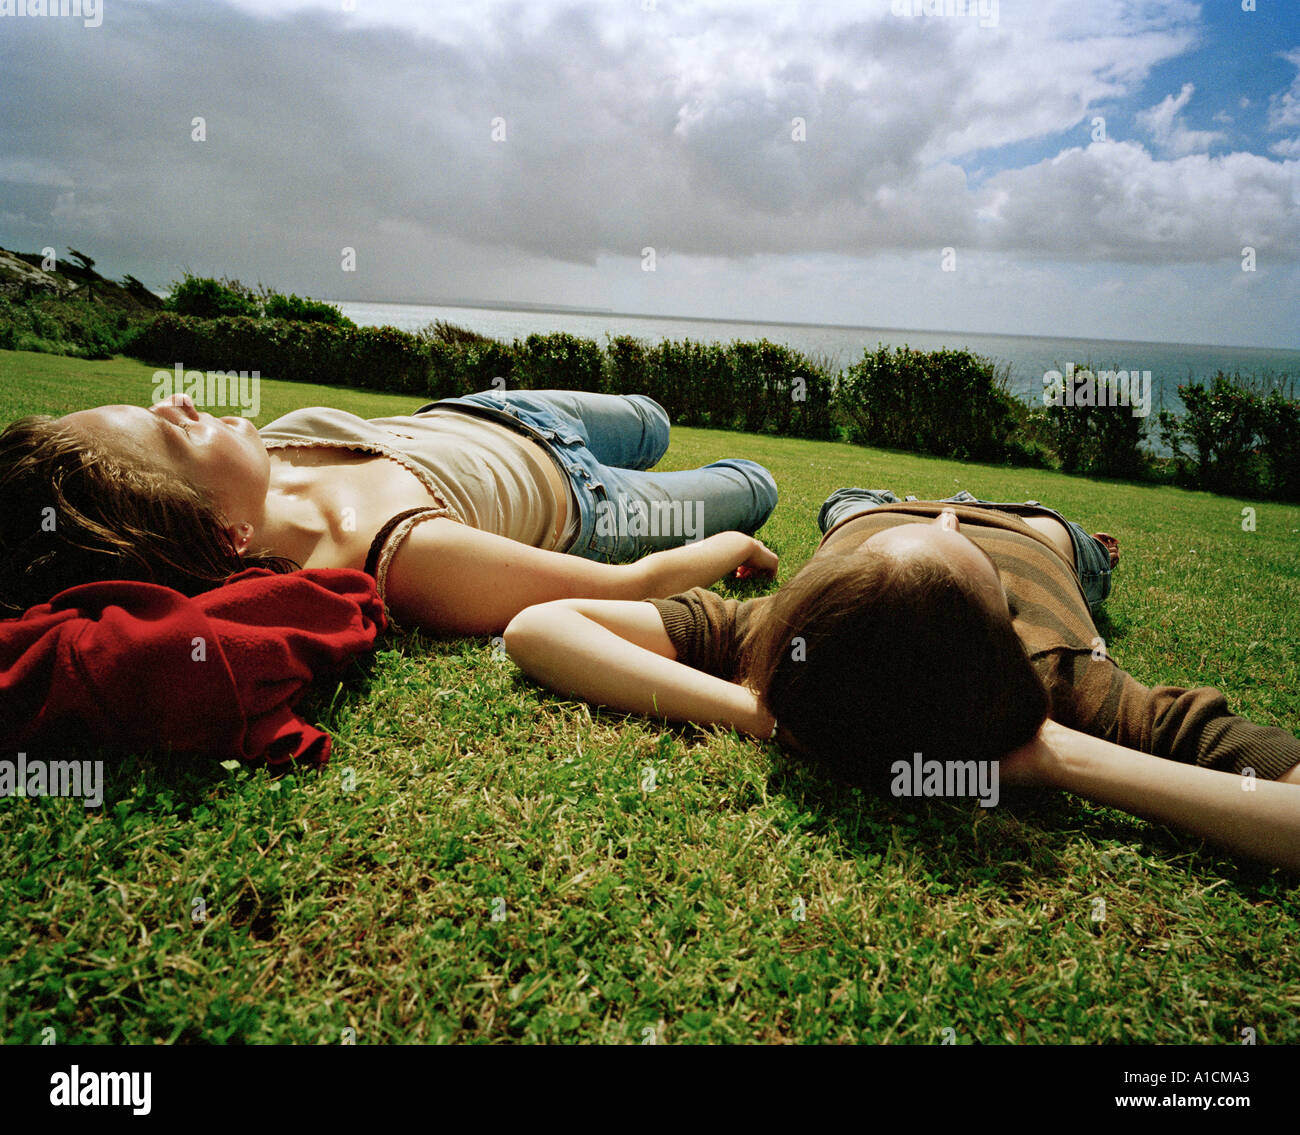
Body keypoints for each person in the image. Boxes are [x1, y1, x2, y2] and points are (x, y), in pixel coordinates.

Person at [504, 488, 1300, 870]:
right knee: (1076, 542)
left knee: (844, 503)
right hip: (1032, 527)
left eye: (945, 528)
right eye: (957, 545)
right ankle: (1081, 543)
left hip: (874, 510)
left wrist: (774, 714)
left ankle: (862, 518)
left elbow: (538, 630)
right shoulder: (1064, 680)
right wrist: (1064, 756)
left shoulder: (792, 631)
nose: (951, 515)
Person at [0, 388, 778, 634]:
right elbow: (625, 588)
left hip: (496, 410)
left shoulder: (253, 466)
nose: (177, 400)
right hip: (590, 503)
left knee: (655, 417)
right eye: (171, 429)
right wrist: (733, 544)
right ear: (225, 534)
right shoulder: (395, 557)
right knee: (755, 484)